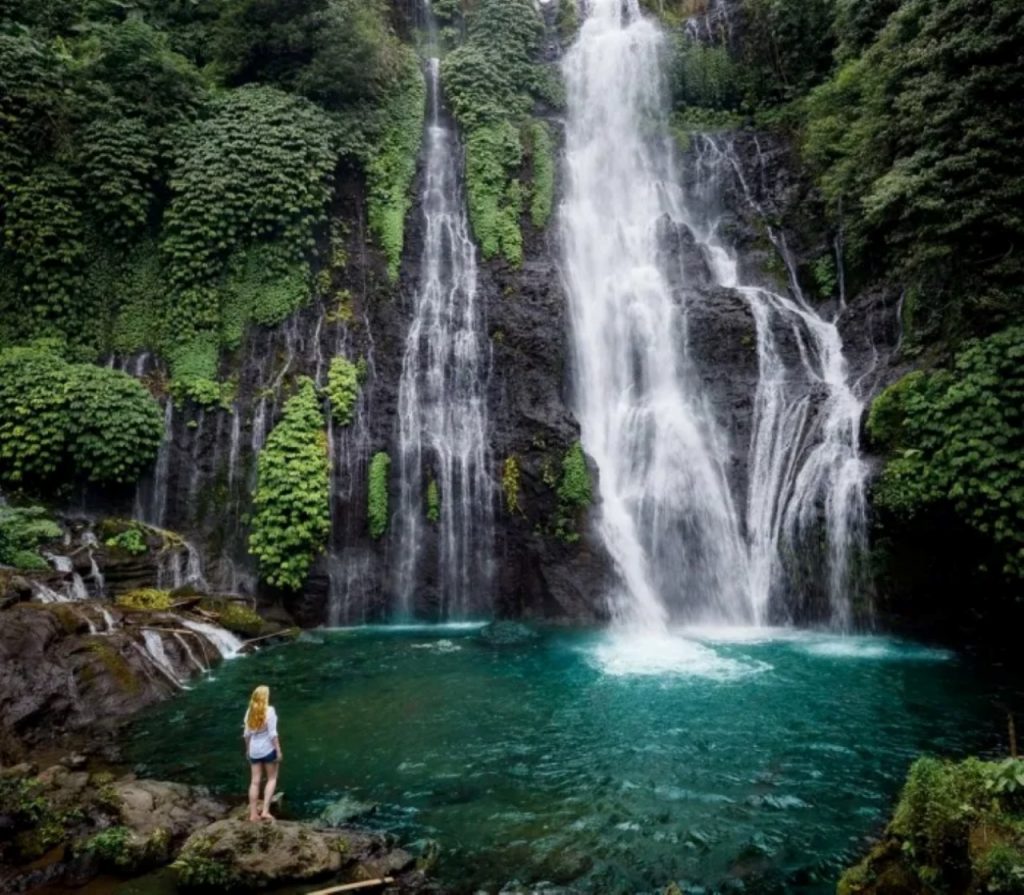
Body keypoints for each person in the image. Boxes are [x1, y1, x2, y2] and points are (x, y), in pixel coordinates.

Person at [242, 685, 281, 822]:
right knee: (272, 779)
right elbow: (272, 734)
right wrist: (278, 750)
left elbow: (246, 735)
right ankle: (265, 811)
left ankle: (253, 814)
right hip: (268, 749)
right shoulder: (269, 711)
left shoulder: (249, 712)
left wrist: (247, 750)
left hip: (254, 750)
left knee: (254, 782)